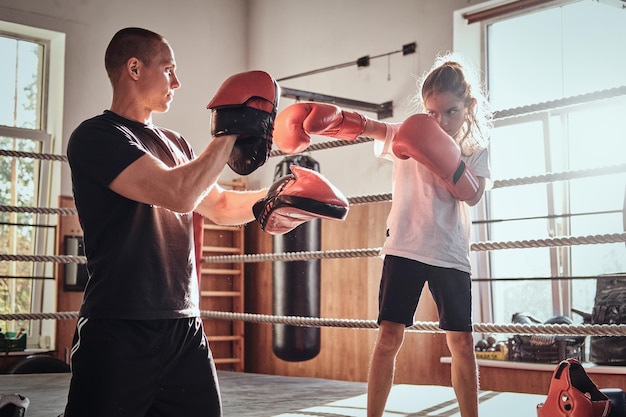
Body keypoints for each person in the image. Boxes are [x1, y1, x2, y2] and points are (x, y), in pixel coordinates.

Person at [63, 27, 275, 417]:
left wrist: (278, 196)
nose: (177, 82)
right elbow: (178, 193)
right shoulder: (97, 136)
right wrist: (231, 128)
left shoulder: (177, 143)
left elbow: (221, 205)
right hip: (120, 326)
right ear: (134, 68)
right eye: (169, 69)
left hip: (184, 328)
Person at [272, 53, 492, 417]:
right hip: (405, 248)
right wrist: (324, 120)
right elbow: (371, 128)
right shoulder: (408, 133)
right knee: (389, 337)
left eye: (451, 112)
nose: (441, 122)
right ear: (423, 110)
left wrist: (445, 159)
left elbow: (474, 193)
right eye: (432, 114)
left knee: (462, 342)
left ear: (468, 106)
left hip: (451, 253)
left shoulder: (475, 150)